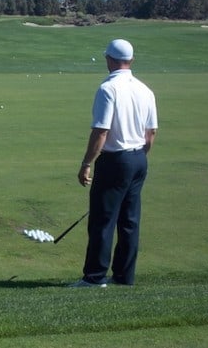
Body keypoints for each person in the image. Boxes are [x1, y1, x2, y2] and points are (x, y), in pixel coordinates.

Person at [72, 39, 158, 287]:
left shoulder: (108, 89)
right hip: (139, 158)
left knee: (103, 219)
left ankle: (94, 277)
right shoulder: (145, 89)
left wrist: (86, 163)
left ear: (109, 60)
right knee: (130, 221)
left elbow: (101, 132)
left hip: (114, 160)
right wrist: (138, 159)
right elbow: (150, 133)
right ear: (131, 61)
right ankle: (123, 277)